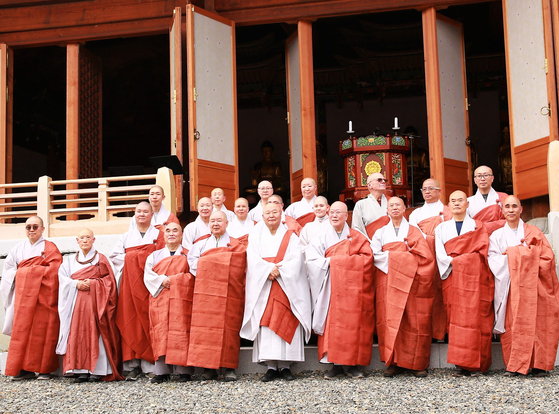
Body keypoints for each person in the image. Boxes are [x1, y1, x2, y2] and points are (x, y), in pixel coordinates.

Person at [488, 195, 559, 377]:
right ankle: (514, 366)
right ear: (502, 211)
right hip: (510, 286)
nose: (511, 210)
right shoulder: (496, 235)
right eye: (507, 207)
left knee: (537, 322)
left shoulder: (534, 232)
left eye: (514, 206)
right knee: (512, 324)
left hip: (534, 287)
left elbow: (547, 259)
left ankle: (539, 364)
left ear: (521, 209)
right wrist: (520, 254)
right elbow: (493, 259)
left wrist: (517, 253)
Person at [241, 202, 312, 382]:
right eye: (267, 213)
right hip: (264, 286)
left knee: (287, 317)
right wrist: (267, 270)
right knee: (266, 323)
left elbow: (296, 259)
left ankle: (287, 366)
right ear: (262, 216)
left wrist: (279, 271)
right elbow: (252, 258)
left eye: (275, 212)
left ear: (282, 214)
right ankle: (271, 366)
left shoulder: (291, 236)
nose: (271, 215)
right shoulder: (256, 236)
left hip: (286, 286)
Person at [306, 201, 374, 379]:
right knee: (332, 325)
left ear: (346, 216)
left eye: (339, 212)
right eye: (332, 212)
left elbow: (367, 259)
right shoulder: (321, 236)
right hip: (330, 286)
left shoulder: (357, 237)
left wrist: (340, 262)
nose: (334, 215)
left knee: (353, 324)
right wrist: (334, 262)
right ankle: (335, 365)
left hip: (353, 289)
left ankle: (353, 365)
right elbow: (312, 260)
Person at [371, 197, 435, 378]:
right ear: (387, 211)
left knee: (414, 322)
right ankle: (394, 362)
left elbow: (424, 258)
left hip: (412, 282)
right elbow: (374, 254)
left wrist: (395, 257)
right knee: (390, 320)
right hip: (389, 281)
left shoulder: (415, 232)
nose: (394, 208)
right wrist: (401, 255)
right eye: (391, 206)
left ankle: (417, 363)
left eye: (398, 205)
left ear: (405, 208)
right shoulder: (381, 232)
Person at [435, 191, 494, 376]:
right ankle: (461, 364)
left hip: (474, 279)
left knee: (476, 317)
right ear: (449, 205)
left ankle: (477, 364)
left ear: (467, 204)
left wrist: (462, 261)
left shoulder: (478, 226)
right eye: (453, 201)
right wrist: (455, 262)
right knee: (456, 318)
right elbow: (440, 254)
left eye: (460, 200)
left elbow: (483, 251)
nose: (457, 203)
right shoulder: (441, 228)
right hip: (453, 275)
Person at [187, 211, 247, 381]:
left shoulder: (235, 245)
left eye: (219, 220)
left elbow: (240, 264)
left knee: (229, 328)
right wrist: (214, 267)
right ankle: (208, 368)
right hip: (206, 292)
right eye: (212, 221)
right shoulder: (200, 244)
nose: (215, 223)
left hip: (229, 292)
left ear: (227, 223)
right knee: (206, 329)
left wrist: (212, 264)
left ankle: (229, 367)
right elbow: (192, 263)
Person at [57, 228, 122, 383]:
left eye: (88, 237)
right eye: (82, 238)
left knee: (96, 332)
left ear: (94, 240)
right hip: (75, 303)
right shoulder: (70, 261)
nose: (85, 240)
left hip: (96, 303)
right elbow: (62, 279)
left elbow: (110, 282)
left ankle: (97, 370)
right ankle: (80, 370)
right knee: (77, 333)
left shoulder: (101, 259)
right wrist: (76, 283)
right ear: (77, 241)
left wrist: (94, 283)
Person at [0, 216, 62, 380]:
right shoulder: (17, 249)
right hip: (22, 298)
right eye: (28, 227)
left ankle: (44, 369)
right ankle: (22, 368)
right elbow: (8, 272)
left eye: (35, 226)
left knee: (43, 331)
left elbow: (55, 271)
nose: (32, 230)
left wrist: (30, 273)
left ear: (43, 229)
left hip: (43, 297)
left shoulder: (50, 248)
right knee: (21, 331)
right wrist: (27, 273)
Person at [109, 201, 164, 379]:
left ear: (151, 215)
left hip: (150, 283)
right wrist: (137, 257)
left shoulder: (159, 235)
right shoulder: (125, 236)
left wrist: (138, 257)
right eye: (138, 211)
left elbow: (162, 257)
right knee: (130, 318)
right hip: (129, 283)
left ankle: (150, 364)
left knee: (148, 319)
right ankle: (132, 364)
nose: (142, 214)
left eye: (145, 212)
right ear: (134, 214)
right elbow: (115, 257)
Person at [144, 222, 194, 384]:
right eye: (168, 231)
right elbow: (148, 276)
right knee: (161, 332)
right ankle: (161, 371)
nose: (171, 234)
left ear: (181, 235)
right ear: (163, 236)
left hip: (181, 299)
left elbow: (192, 276)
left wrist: (174, 280)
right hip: (160, 297)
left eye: (175, 231)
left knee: (181, 331)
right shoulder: (154, 256)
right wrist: (162, 280)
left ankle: (183, 371)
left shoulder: (188, 254)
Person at [408, 178, 451, 341]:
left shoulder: (448, 212)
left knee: (444, 292)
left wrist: (435, 241)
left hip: (444, 257)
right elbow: (413, 235)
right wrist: (428, 239)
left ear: (439, 191)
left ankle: (444, 330)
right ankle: (429, 331)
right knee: (426, 292)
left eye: (431, 188)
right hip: (424, 257)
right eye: (424, 189)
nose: (427, 191)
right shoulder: (416, 214)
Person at [467, 165, 508, 233]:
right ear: (474, 180)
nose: (482, 179)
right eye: (479, 176)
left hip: (500, 235)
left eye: (486, 175)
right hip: (479, 237)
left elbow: (511, 219)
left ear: (492, 178)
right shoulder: (468, 201)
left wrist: (489, 226)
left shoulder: (503, 197)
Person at [351, 172, 389, 239]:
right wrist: (370, 244)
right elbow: (357, 229)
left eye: (385, 180)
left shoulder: (392, 202)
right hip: (369, 243)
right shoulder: (361, 205)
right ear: (369, 185)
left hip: (389, 243)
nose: (383, 182)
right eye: (379, 180)